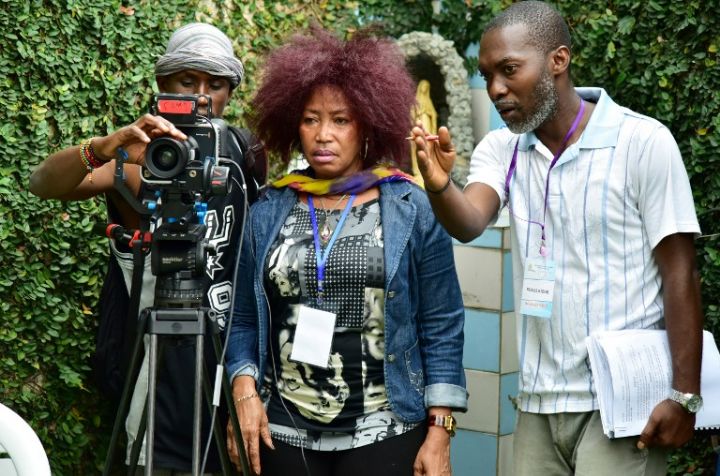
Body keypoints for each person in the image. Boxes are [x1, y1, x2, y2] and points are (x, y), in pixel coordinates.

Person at [412, 2, 703, 475]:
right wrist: (441, 185)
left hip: (620, 404)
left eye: (509, 70)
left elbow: (680, 272)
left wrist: (684, 395)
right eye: (487, 76)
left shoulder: (642, 142)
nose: (496, 89)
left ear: (558, 60)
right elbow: (470, 222)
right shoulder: (502, 148)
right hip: (538, 402)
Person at [224, 26, 467, 476]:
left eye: (341, 120)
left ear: (368, 125)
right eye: (310, 119)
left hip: (384, 430)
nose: (323, 135)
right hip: (281, 431)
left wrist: (440, 428)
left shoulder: (410, 206)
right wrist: (243, 391)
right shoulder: (268, 209)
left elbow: (442, 321)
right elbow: (242, 318)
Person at [29, 22, 265, 474]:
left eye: (215, 85)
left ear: (231, 92)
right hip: (157, 357)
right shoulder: (143, 158)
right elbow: (42, 183)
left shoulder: (243, 152)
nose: (202, 96)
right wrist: (103, 148)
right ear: (162, 84)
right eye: (187, 81)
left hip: (227, 354)